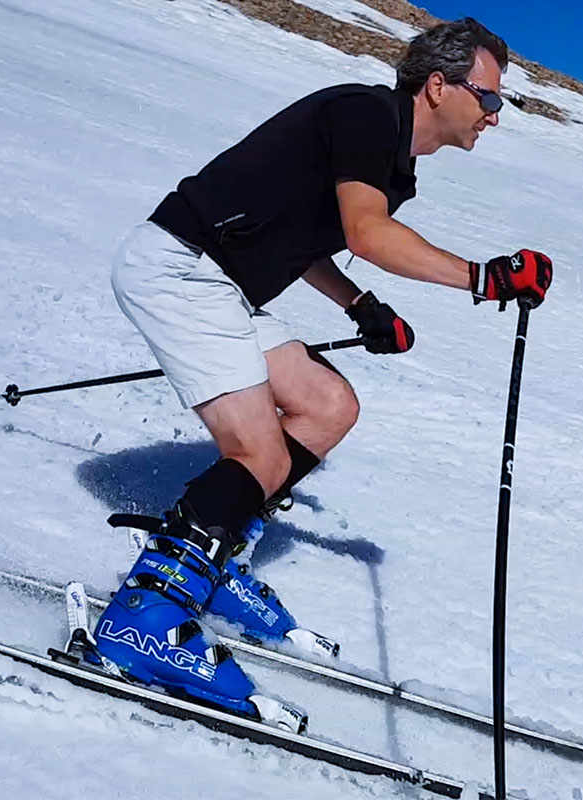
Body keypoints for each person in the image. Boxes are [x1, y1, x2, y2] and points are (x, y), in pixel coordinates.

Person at [88, 17, 553, 727]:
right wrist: (482, 279)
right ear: (438, 85)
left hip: (224, 284)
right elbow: (367, 233)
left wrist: (361, 304)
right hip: (180, 268)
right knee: (259, 452)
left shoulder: (392, 163)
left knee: (329, 404)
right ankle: (143, 617)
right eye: (487, 98)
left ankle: (211, 561)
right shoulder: (368, 114)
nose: (494, 115)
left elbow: (306, 238)